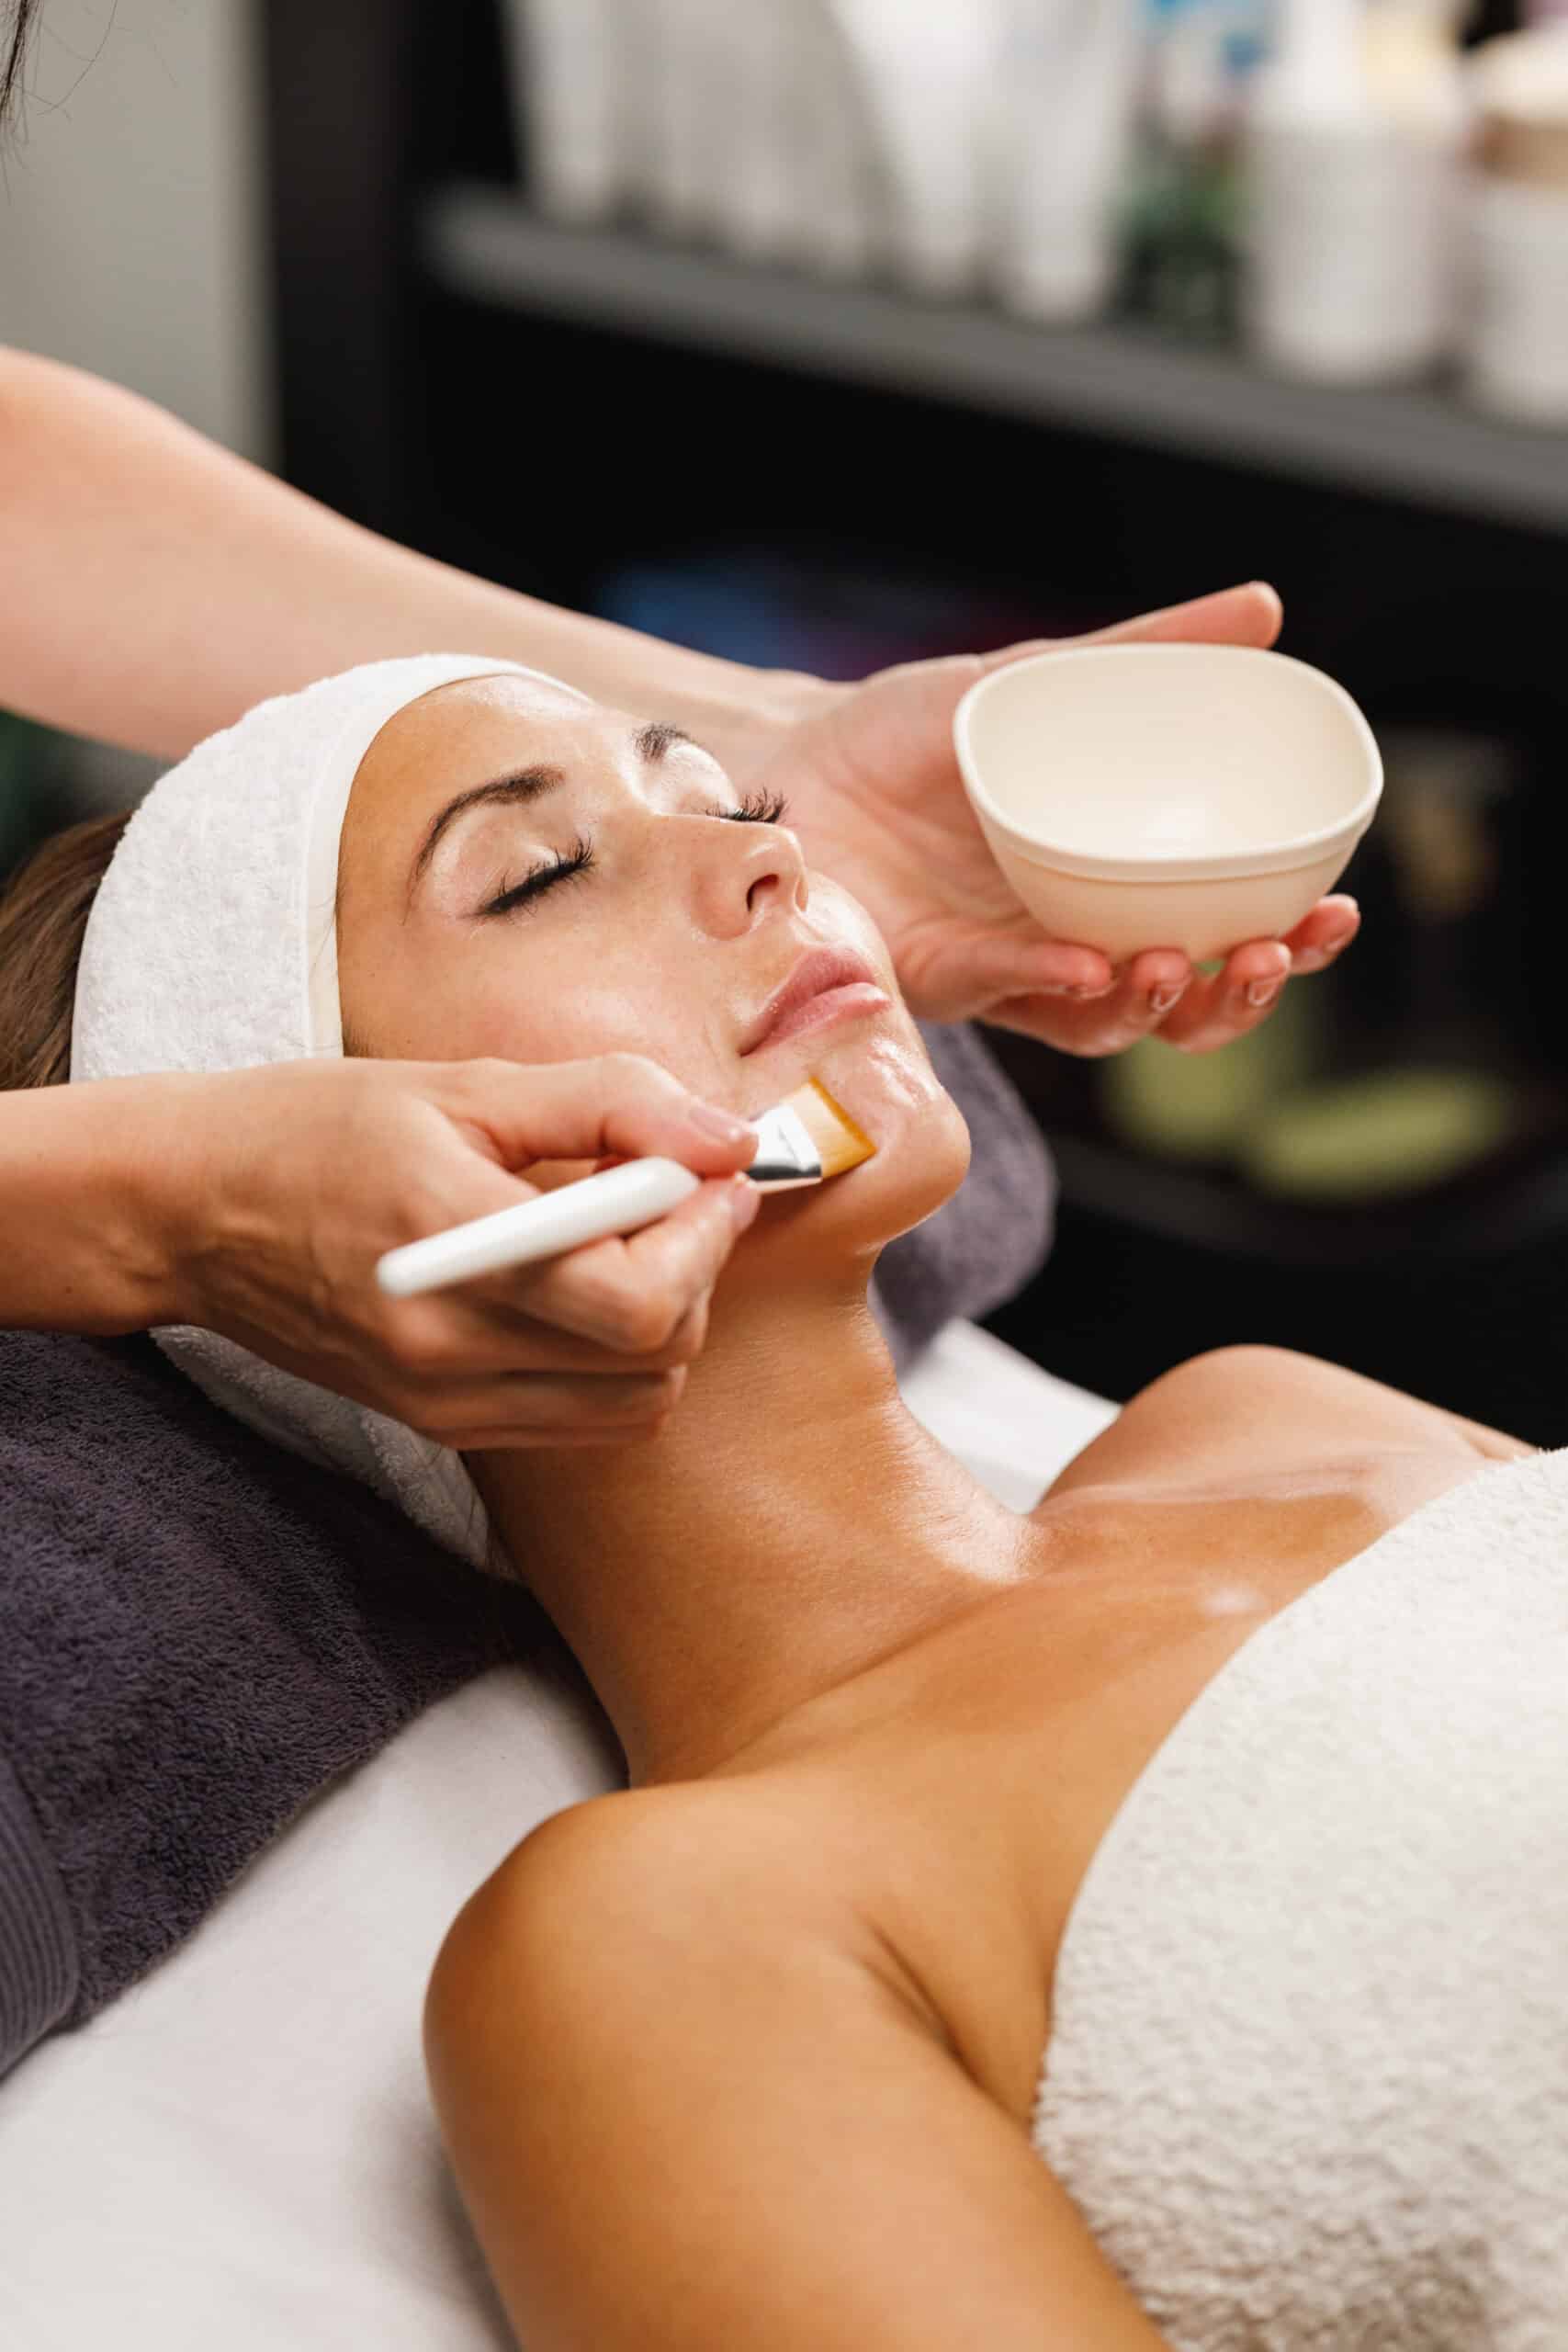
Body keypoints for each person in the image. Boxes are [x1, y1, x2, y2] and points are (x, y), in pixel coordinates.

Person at [17, 660, 1561, 2348]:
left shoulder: (1277, 1417)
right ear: (316, 1228)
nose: (773, 862)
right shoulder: (658, 1954)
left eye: (737, 805)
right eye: (536, 876)